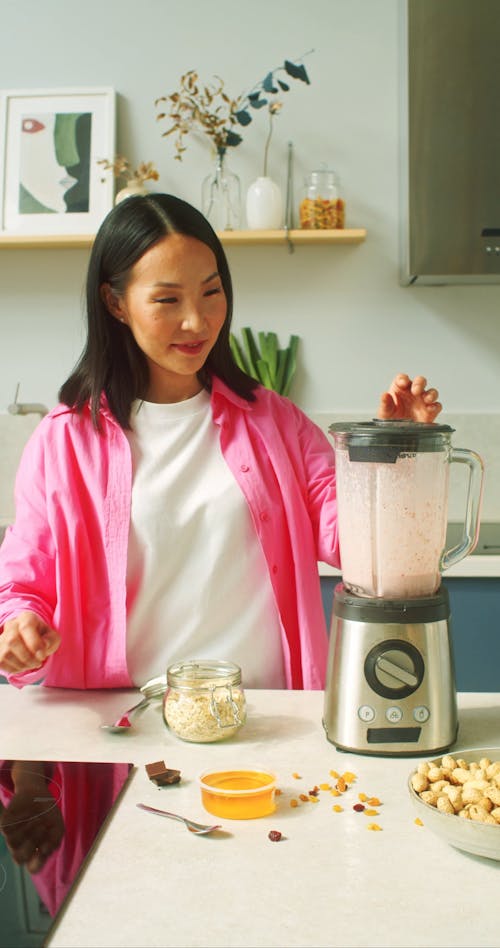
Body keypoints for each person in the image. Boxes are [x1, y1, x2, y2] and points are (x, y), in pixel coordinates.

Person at [0, 193, 442, 690]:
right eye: (167, 299)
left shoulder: (275, 423)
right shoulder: (65, 441)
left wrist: (402, 452)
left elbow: (362, 546)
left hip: (266, 724)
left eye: (211, 292)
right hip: (129, 726)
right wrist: (18, 627)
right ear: (116, 303)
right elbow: (23, 582)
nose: (197, 320)